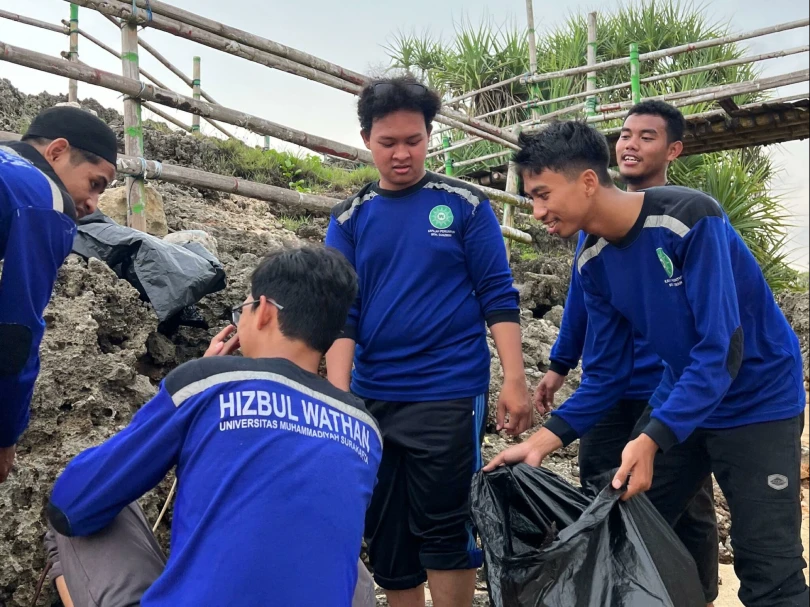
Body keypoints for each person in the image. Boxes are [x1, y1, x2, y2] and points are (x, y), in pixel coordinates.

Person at [485, 120, 808, 607]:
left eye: (543, 194)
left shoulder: (690, 218)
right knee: (622, 530)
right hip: (683, 398)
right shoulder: (592, 258)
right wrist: (540, 444)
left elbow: (722, 350)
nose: (537, 211)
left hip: (757, 403)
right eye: (531, 198)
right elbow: (608, 374)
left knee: (768, 566)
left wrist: (650, 438)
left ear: (588, 181)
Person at [43, 246, 383, 606]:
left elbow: (74, 505)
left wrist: (194, 383)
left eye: (244, 309)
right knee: (340, 556)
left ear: (264, 311)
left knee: (81, 497)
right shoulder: (365, 428)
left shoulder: (204, 384)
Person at [325, 75, 531, 607]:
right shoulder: (349, 219)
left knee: (445, 528)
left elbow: (497, 295)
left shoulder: (464, 204)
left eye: (413, 141)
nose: (401, 154)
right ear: (366, 139)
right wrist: (342, 396)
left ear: (429, 137)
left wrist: (514, 379)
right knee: (387, 530)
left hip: (449, 391)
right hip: (372, 395)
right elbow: (342, 314)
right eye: (388, 142)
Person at [536, 100, 719, 605]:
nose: (630, 144)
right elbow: (580, 298)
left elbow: (712, 328)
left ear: (673, 150)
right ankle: (620, 591)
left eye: (646, 136)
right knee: (604, 490)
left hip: (669, 389)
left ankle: (696, 593)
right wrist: (558, 364)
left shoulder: (686, 218)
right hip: (606, 384)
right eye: (624, 134)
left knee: (689, 506)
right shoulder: (591, 224)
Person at [0, 106, 117, 483]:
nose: (92, 205)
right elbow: (16, 331)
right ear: (56, 152)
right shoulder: (43, 198)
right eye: (95, 184)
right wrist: (6, 434)